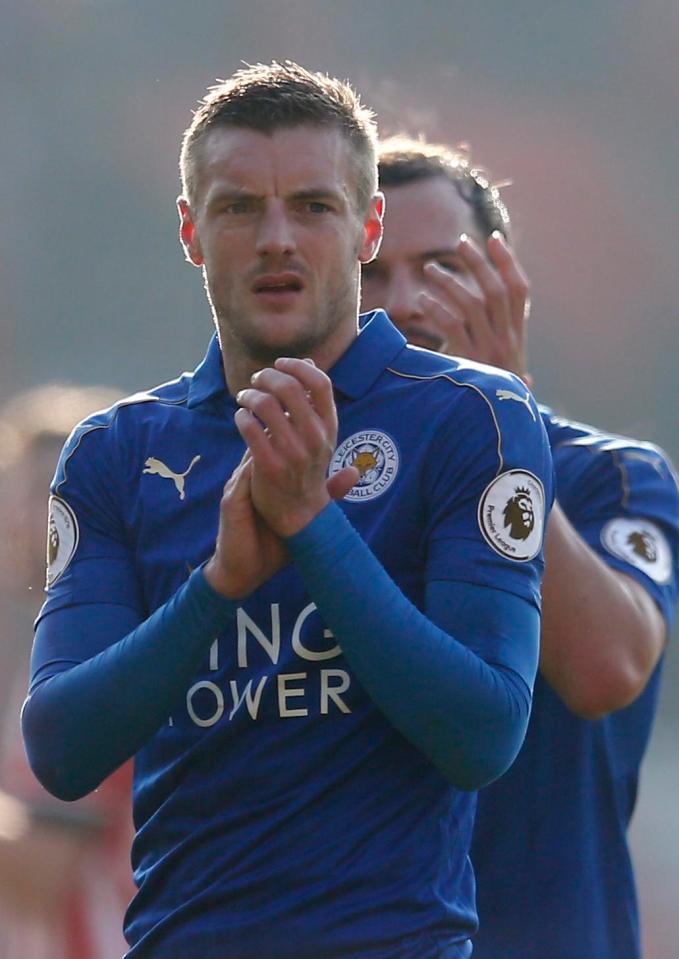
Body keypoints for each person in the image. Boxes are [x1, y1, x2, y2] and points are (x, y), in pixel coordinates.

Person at [20, 62, 554, 958]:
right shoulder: (116, 450)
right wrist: (217, 586)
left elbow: (483, 732)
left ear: (365, 225)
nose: (276, 238)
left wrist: (312, 524)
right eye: (238, 208)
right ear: (190, 230)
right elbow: (63, 749)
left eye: (311, 206)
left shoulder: (471, 417)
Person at [361, 136, 679, 959]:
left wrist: (503, 426)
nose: (401, 302)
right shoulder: (289, 489)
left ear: (505, 281)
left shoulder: (605, 477)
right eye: (369, 272)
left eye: (439, 267)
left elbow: (605, 667)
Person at [0, 384, 134, 959]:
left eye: (39, 491)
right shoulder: (58, 634)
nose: (13, 515)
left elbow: (40, 869)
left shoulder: (94, 642)